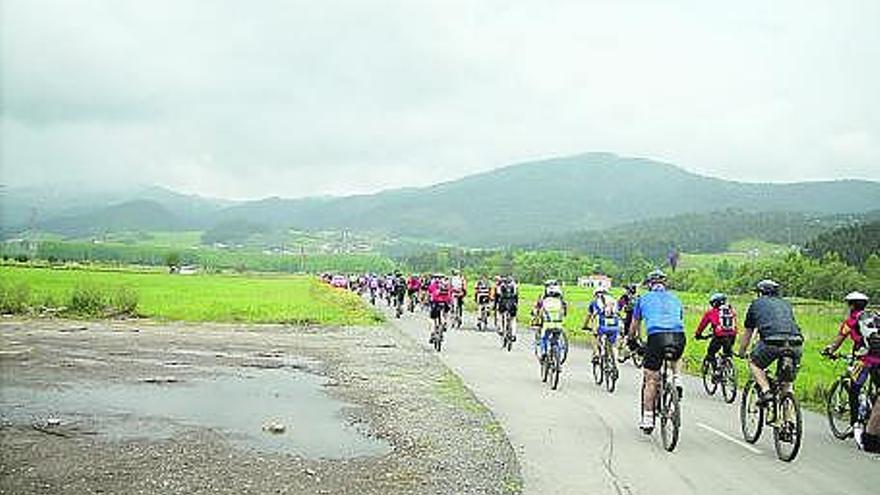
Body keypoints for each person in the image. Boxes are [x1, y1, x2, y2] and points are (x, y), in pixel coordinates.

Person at [822, 291, 880, 452]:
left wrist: (829, 350)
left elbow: (839, 339)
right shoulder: (876, 317)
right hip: (878, 359)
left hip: (863, 361)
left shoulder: (851, 321)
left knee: (855, 389)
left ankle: (855, 424)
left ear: (851, 305)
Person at [629, 270, 686, 433]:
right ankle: (677, 378)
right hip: (678, 336)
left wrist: (632, 340)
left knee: (651, 379)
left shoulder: (643, 299)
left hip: (656, 337)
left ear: (649, 285)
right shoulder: (676, 298)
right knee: (677, 354)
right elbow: (678, 319)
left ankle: (647, 419)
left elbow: (634, 325)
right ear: (664, 284)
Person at [737, 279, 803, 407]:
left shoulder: (755, 304)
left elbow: (748, 333)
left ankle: (766, 390)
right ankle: (788, 420)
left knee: (754, 363)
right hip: (796, 343)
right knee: (787, 384)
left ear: (760, 293)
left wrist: (742, 352)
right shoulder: (786, 304)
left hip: (772, 342)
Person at [694, 292, 738, 374]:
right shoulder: (731, 311)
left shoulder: (711, 312)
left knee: (711, 353)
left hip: (720, 337)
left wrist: (698, 335)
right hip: (732, 336)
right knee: (727, 353)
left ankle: (716, 372)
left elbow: (702, 325)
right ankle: (728, 368)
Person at [584, 287, 621, 365]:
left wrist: (585, 326)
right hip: (615, 326)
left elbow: (589, 316)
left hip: (602, 327)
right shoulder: (613, 301)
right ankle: (615, 363)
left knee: (595, 336)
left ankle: (596, 354)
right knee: (613, 344)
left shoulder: (594, 302)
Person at [536, 280, 567, 360]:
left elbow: (539, 311)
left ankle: (544, 353)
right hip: (558, 324)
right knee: (556, 340)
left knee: (544, 338)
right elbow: (564, 312)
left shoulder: (544, 300)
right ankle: (558, 359)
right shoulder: (560, 301)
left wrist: (537, 319)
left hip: (547, 324)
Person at [427, 274, 452, 339]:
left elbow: (429, 293)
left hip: (436, 302)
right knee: (445, 313)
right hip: (445, 302)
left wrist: (428, 301)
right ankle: (445, 322)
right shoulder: (446, 284)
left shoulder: (433, 284)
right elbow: (450, 294)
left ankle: (432, 332)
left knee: (432, 318)